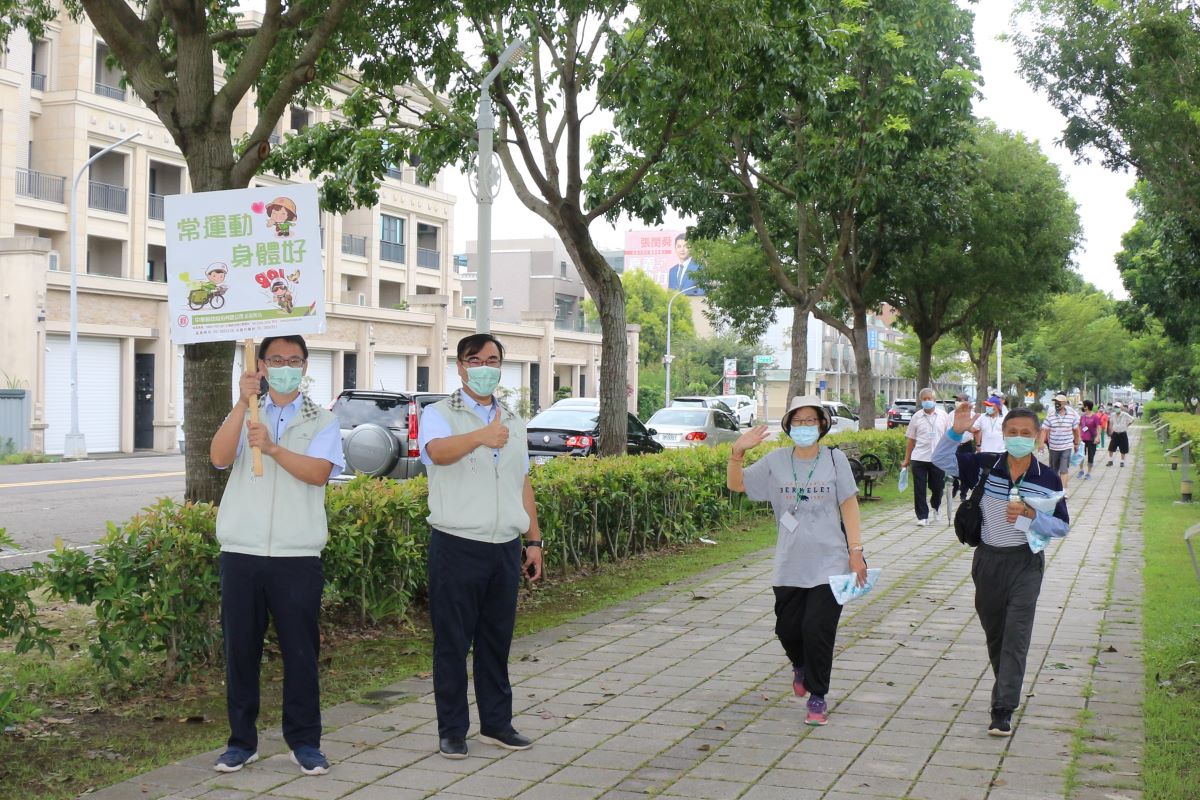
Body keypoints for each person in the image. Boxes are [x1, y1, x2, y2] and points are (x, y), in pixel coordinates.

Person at [209, 335, 346, 776]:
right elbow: (217, 457)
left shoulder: (321, 420)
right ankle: (241, 743)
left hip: (296, 554)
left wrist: (272, 448)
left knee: (301, 653)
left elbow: (318, 474)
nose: (285, 365)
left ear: (305, 366)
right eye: (276, 359)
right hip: (242, 552)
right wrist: (240, 403)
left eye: (294, 359)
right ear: (262, 365)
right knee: (240, 651)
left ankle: (304, 742)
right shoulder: (247, 411)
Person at [418, 333, 544, 759]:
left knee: (496, 641)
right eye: (476, 359)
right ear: (460, 366)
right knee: (452, 642)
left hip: (504, 547)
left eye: (493, 359)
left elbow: (521, 481)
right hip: (457, 544)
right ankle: (452, 730)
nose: (485, 366)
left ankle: (497, 724)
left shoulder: (513, 419)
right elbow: (435, 452)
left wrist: (533, 540)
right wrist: (479, 437)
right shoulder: (439, 413)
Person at [727, 396, 866, 727]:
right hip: (790, 563)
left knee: (817, 629)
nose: (805, 427)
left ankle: (818, 696)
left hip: (830, 562)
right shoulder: (776, 461)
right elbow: (737, 484)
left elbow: (849, 505)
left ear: (822, 424)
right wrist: (738, 452)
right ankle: (800, 665)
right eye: (798, 421)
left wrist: (856, 551)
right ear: (789, 425)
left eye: (811, 421)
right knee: (788, 629)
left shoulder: (835, 460)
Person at [933, 404, 1070, 737]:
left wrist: (1030, 516)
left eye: (1026, 434)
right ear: (1003, 435)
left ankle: (1003, 708)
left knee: (1016, 636)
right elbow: (940, 461)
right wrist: (955, 431)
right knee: (996, 635)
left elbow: (1061, 527)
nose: (1019, 438)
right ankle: (1007, 685)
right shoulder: (985, 465)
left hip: (1025, 564)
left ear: (1039, 438)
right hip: (988, 561)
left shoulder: (1047, 478)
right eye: (1013, 433)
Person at [902, 388, 951, 526]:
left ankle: (936, 506)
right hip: (919, 457)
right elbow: (911, 439)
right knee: (919, 487)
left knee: (937, 487)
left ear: (934, 400)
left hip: (938, 458)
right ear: (921, 401)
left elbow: (949, 437)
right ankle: (922, 516)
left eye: (929, 398)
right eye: (924, 399)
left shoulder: (943, 416)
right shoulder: (916, 417)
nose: (927, 401)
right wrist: (907, 459)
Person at [1038, 393, 1081, 491]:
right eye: (1055, 402)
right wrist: (1041, 444)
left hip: (1066, 446)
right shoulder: (1050, 415)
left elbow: (1076, 429)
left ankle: (1063, 490)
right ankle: (1054, 488)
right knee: (1053, 470)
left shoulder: (1071, 415)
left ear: (1064, 403)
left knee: (1064, 469)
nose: (1057, 404)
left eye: (1059, 402)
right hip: (1053, 447)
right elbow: (1044, 430)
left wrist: (1077, 443)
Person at [1077, 400, 1103, 480]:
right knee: (1080, 455)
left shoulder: (1095, 417)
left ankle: (1088, 473)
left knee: (1090, 456)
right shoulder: (1083, 416)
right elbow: (1079, 426)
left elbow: (1099, 427)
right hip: (1083, 439)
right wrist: (1078, 436)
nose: (1082, 407)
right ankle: (1081, 470)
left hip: (1092, 439)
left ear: (1086, 407)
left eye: (1083, 405)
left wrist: (1098, 437)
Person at [1106, 401, 1135, 467]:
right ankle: (1110, 461)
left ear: (1121, 408)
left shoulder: (1125, 414)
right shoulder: (1113, 414)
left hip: (1122, 433)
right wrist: (1110, 431)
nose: (1117, 408)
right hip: (1115, 433)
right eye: (1115, 407)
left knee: (1123, 448)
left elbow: (1132, 419)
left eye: (1118, 407)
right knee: (1111, 448)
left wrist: (1127, 425)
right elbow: (1110, 423)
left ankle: (1122, 461)